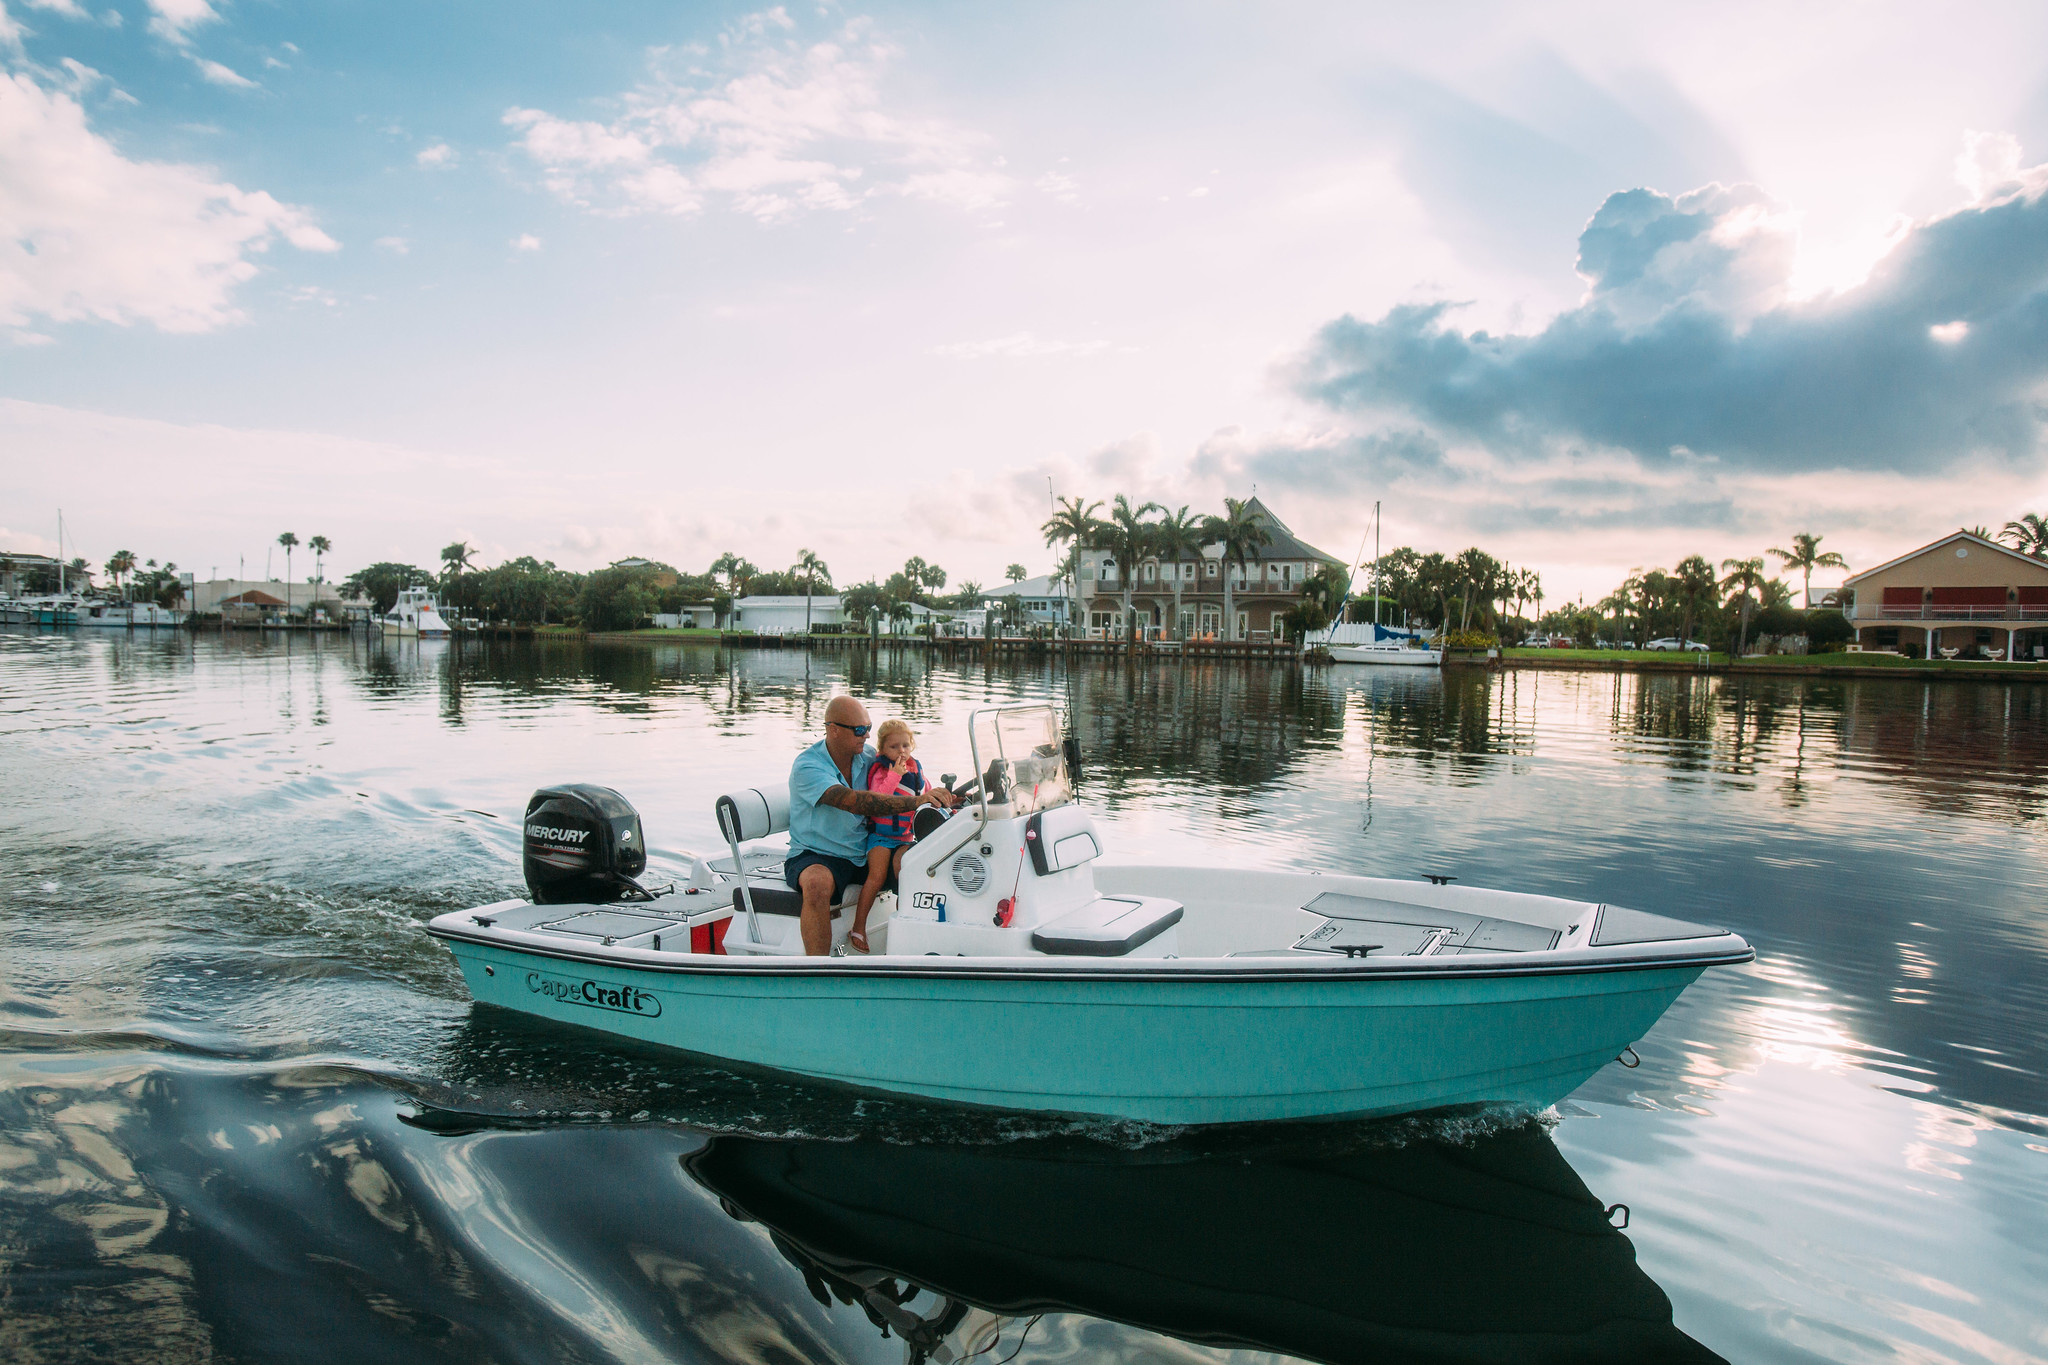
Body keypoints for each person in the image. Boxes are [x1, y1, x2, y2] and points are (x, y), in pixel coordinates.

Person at [785, 696, 954, 956]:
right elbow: (854, 802)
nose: (866, 736)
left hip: (863, 849)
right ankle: (818, 970)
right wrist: (917, 801)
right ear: (833, 729)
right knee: (816, 884)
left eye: (869, 728)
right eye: (859, 730)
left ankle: (920, 953)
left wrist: (943, 796)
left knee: (919, 862)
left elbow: (907, 780)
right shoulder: (808, 766)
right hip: (818, 854)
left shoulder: (867, 756)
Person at [849, 718, 924, 953]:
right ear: (882, 749)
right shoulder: (881, 771)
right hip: (880, 837)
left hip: (904, 837)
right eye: (894, 747)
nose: (901, 751)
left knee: (906, 874)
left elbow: (925, 793)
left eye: (905, 745)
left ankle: (904, 923)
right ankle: (858, 927)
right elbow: (878, 798)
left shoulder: (916, 769)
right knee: (877, 876)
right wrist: (895, 775)